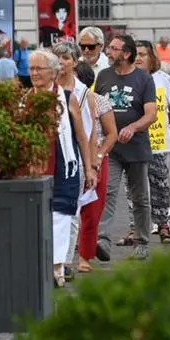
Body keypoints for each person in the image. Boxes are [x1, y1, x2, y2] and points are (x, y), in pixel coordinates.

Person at [28, 50, 97, 287]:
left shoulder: (68, 98)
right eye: (31, 69)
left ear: (54, 72)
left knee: (61, 214)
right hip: (32, 162)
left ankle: (57, 266)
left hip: (63, 162)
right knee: (34, 214)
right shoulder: (23, 99)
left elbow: (82, 136)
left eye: (40, 69)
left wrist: (89, 168)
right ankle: (38, 263)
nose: (34, 73)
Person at [94, 35, 157, 261]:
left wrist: (133, 127)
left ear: (126, 54)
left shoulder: (144, 79)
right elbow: (95, 106)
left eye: (113, 49)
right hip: (110, 147)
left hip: (136, 147)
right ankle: (102, 240)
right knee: (107, 192)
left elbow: (151, 114)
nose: (109, 52)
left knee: (140, 196)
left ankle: (141, 240)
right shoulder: (103, 76)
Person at [114, 40, 170, 245]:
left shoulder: (163, 79)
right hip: (132, 145)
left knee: (160, 186)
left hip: (158, 143)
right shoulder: (125, 78)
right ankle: (137, 229)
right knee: (134, 189)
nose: (139, 57)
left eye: (144, 54)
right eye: (136, 53)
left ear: (152, 58)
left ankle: (164, 225)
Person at [71, 62, 117, 275]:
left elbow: (111, 134)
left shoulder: (99, 102)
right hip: (71, 157)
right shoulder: (60, 99)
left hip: (96, 159)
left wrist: (98, 155)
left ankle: (84, 256)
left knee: (92, 209)